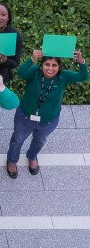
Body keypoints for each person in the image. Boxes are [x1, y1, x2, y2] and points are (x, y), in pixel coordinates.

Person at [6, 47, 89, 178]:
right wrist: (32, 59)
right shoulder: (34, 73)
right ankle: (12, 160)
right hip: (25, 116)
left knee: (40, 141)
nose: (50, 68)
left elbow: (83, 76)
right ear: (41, 65)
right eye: (47, 64)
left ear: (59, 67)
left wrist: (81, 61)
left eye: (54, 65)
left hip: (49, 120)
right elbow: (21, 73)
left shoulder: (64, 76)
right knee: (17, 139)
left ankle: (32, 157)